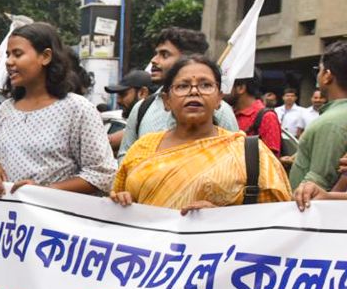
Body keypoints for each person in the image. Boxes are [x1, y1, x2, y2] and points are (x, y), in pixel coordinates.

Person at [112, 56, 291, 212]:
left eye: (205, 85)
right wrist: (121, 202)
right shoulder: (142, 147)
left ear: (219, 99)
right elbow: (116, 196)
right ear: (167, 101)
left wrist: (221, 218)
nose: (194, 91)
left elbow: (276, 217)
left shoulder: (248, 152)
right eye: (182, 86)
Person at [0, 22, 116, 198]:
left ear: (45, 57)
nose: (9, 62)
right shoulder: (5, 109)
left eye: (17, 54)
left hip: (55, 220)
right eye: (8, 55)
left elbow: (102, 174)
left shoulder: (78, 109)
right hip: (8, 220)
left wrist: (46, 190)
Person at [118, 28, 238, 158]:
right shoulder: (142, 108)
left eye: (164, 55)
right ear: (166, 101)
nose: (154, 60)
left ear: (188, 59)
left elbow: (235, 157)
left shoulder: (221, 111)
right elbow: (126, 155)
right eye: (156, 53)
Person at [290, 41, 347, 197]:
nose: (318, 75)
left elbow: (314, 187)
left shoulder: (331, 123)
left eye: (319, 70)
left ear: (327, 76)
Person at [227, 69, 282, 155]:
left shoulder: (267, 117)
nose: (222, 91)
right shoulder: (228, 114)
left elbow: (271, 161)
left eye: (227, 85)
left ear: (241, 88)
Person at [104, 69, 152, 152]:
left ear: (142, 93)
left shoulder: (151, 123)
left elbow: (107, 143)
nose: (118, 101)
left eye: (123, 94)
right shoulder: (136, 123)